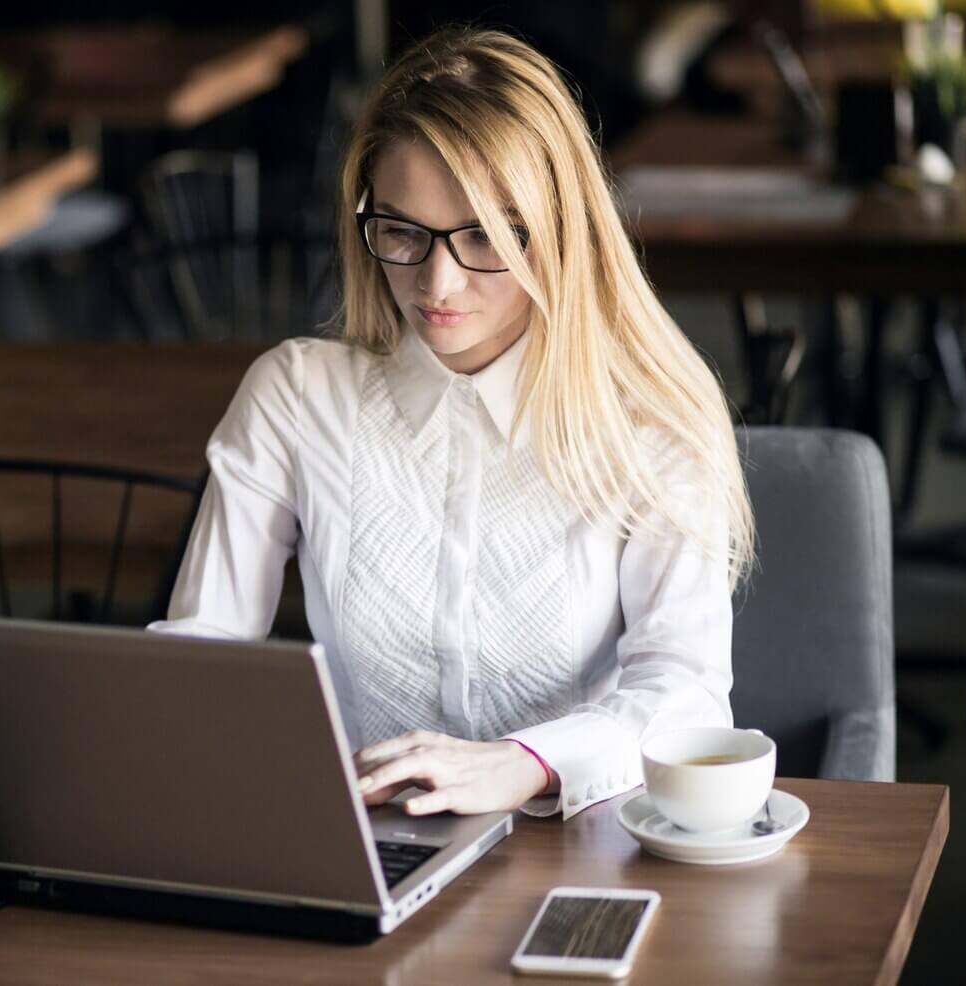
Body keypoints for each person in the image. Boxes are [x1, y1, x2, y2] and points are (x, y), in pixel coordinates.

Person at [149, 27, 754, 822]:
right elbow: (202, 652)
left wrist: (527, 763)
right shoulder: (296, 396)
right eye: (401, 231)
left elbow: (687, 693)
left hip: (586, 840)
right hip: (372, 844)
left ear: (558, 228)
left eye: (484, 237)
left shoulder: (651, 418)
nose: (438, 283)